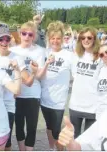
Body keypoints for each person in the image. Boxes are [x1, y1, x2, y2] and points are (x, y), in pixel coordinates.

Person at [0, 26, 34, 151]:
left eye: (7, 39)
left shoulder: (16, 57)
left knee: (7, 141)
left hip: (8, 105)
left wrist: (34, 73)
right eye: (1, 39)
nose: (4, 42)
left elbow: (27, 81)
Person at [11, 21, 47, 151]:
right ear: (19, 34)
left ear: (34, 36)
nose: (27, 36)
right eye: (24, 33)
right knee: (19, 126)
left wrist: (32, 73)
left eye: (30, 34)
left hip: (33, 93)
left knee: (31, 127)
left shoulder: (40, 51)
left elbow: (41, 75)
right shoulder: (13, 50)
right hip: (17, 93)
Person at [40, 21, 74, 151]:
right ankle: (51, 148)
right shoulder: (44, 53)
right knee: (49, 127)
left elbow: (77, 74)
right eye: (53, 38)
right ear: (49, 39)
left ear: (62, 39)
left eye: (58, 38)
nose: (55, 41)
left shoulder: (69, 56)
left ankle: (60, 149)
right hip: (44, 98)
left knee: (56, 128)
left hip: (59, 100)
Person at [69, 27, 102, 138]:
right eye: (83, 37)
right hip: (76, 104)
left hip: (93, 105)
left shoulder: (100, 57)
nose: (86, 40)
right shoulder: (76, 56)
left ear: (94, 39)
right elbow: (74, 75)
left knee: (89, 140)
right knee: (74, 138)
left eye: (89, 37)